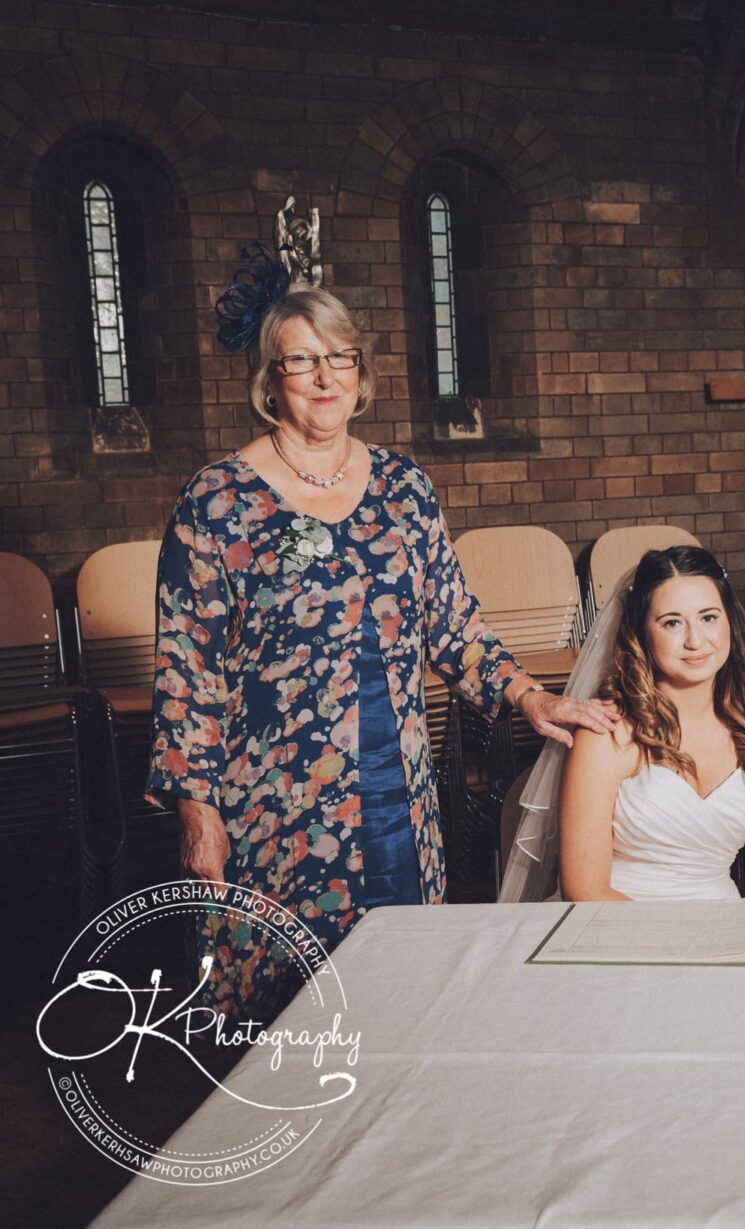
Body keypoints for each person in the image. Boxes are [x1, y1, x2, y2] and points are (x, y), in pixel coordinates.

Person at [147, 272, 613, 1021]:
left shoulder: (403, 486)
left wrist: (530, 694)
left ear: (361, 372)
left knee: (403, 996)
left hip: (398, 794)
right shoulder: (217, 501)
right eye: (302, 360)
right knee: (290, 1013)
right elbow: (187, 670)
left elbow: (453, 624)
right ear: (271, 379)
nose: (325, 375)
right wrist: (197, 811)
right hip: (278, 808)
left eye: (342, 356)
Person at [551, 546, 745, 900]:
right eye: (672, 622)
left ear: (730, 620)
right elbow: (585, 889)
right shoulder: (606, 733)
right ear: (642, 633)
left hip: (724, 925)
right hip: (615, 926)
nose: (695, 640)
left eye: (708, 618)